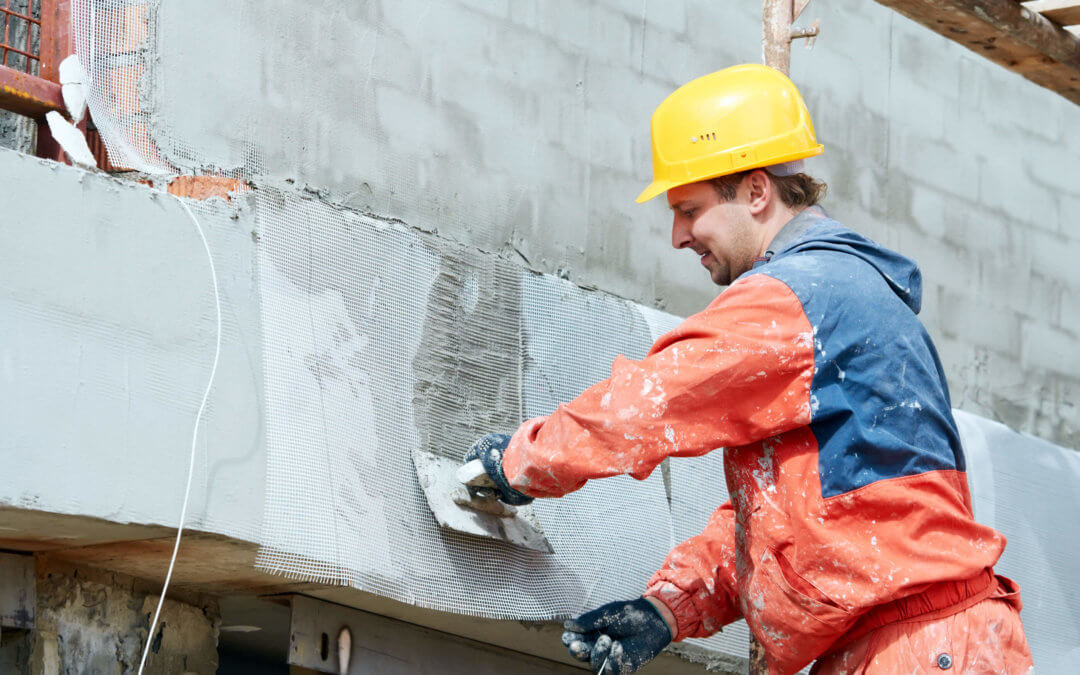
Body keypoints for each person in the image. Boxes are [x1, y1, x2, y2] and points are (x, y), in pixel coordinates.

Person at [467, 64, 1033, 674]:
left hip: (920, 648)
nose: (678, 236)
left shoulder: (798, 296)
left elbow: (648, 403)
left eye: (689, 209)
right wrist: (667, 610)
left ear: (757, 191)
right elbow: (798, 527)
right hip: (917, 644)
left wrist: (520, 463)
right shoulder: (836, 300)